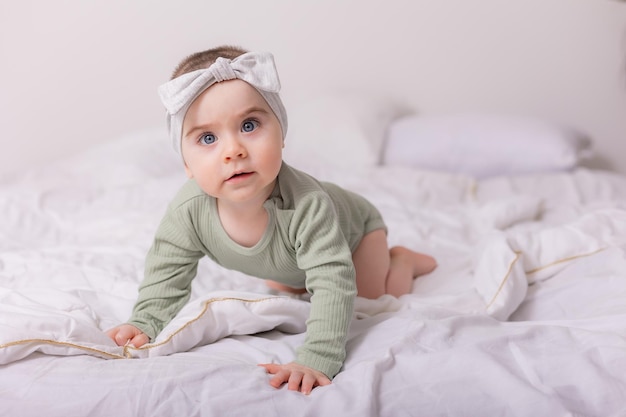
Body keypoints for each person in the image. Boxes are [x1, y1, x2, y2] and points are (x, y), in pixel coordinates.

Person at [106, 45, 437, 395]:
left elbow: (332, 282)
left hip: (356, 234)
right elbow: (166, 271)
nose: (233, 150)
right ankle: (295, 278)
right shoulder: (188, 211)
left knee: (368, 303)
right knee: (289, 288)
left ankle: (401, 260)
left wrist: (316, 357)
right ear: (186, 164)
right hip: (290, 260)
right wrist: (146, 321)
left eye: (249, 125)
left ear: (281, 135)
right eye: (208, 138)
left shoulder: (307, 205)